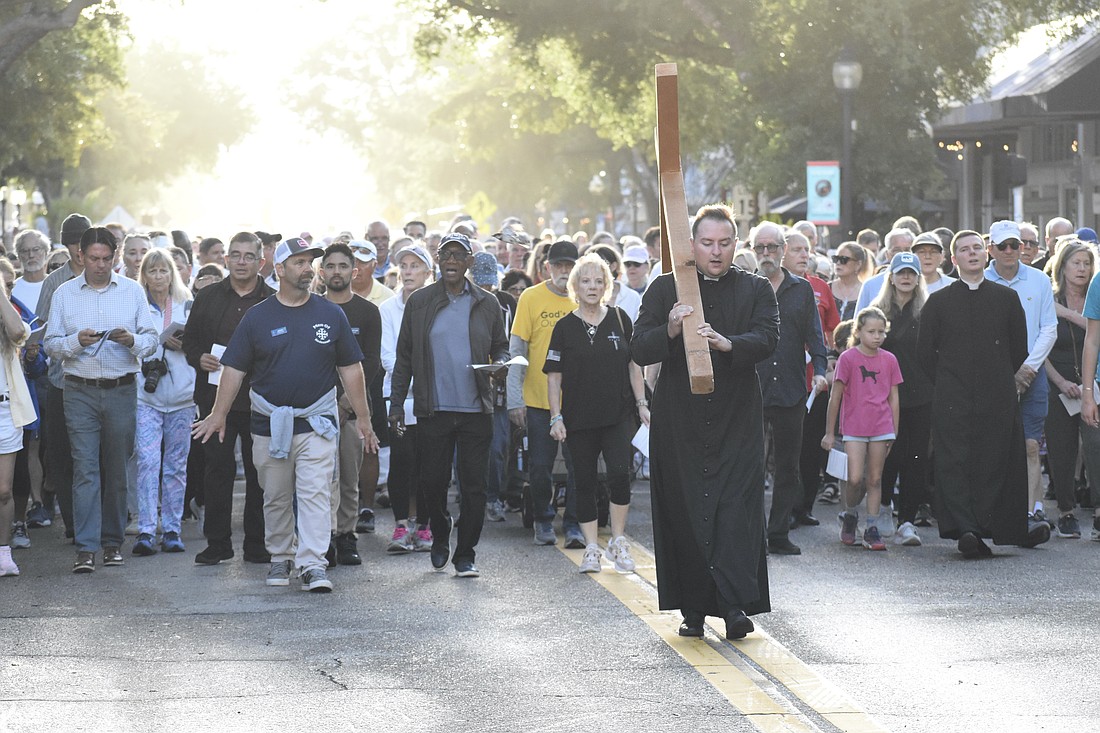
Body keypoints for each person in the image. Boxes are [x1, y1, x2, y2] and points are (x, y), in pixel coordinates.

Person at [192, 237, 378, 593]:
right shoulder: (258, 316)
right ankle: (280, 555)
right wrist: (219, 414)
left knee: (315, 493)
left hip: (317, 423)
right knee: (275, 496)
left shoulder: (329, 313)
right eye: (299, 262)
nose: (307, 268)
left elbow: (352, 369)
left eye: (310, 262)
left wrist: (365, 419)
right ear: (278, 269)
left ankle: (312, 564)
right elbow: (233, 369)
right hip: (269, 424)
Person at [631, 204, 779, 641]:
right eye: (707, 243)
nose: (716, 252)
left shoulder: (755, 288)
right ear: (691, 244)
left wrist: (729, 343)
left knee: (736, 509)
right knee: (685, 506)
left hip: (736, 415)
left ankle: (734, 605)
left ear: (737, 244)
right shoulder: (663, 289)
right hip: (681, 418)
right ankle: (693, 608)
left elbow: (769, 337)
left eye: (725, 242)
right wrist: (672, 329)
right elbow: (641, 348)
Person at [387, 233, 510, 578]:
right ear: (439, 262)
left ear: (470, 262)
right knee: (433, 482)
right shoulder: (421, 302)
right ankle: (440, 532)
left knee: (474, 487)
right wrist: (396, 405)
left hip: (476, 410)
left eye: (459, 255)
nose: (452, 260)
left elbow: (500, 346)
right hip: (434, 410)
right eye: (446, 255)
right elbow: (404, 358)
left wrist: (501, 364)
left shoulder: (487, 303)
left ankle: (466, 553)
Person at [917, 230, 1046, 557]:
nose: (972, 253)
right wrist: (949, 382)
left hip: (997, 396)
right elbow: (924, 354)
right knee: (955, 462)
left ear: (985, 254)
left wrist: (995, 378)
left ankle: (999, 528)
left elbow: (1019, 349)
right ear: (954, 258)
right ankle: (966, 529)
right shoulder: (939, 302)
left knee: (995, 459)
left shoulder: (1006, 299)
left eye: (977, 248)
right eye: (964, 249)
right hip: (952, 397)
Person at [43, 227, 159, 573]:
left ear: (116, 256)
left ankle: (112, 543)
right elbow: (50, 343)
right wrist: (76, 341)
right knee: (85, 469)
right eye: (93, 258)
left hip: (122, 387)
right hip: (78, 388)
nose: (100, 265)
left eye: (107, 259)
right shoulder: (64, 294)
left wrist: (131, 341)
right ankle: (86, 546)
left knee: (117, 468)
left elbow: (152, 339)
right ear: (81, 255)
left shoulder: (132, 291)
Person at [545, 253, 648, 573]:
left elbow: (634, 367)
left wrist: (642, 404)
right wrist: (555, 416)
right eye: (586, 281)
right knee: (584, 481)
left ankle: (618, 541)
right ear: (575, 285)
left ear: (607, 286)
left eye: (598, 281)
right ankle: (591, 547)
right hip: (578, 418)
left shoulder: (620, 319)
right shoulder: (564, 327)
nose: (592, 286)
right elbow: (554, 375)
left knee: (620, 474)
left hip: (618, 414)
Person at [183, 231, 275, 566]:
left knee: (259, 473)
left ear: (260, 262)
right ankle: (218, 543)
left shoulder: (273, 300)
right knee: (216, 471)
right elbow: (190, 341)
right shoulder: (208, 298)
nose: (240, 261)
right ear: (225, 260)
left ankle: (257, 544)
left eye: (248, 256)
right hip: (214, 399)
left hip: (258, 400)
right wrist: (200, 357)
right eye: (234, 255)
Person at [752, 223, 827, 555]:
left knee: (787, 467)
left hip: (792, 390)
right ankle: (751, 534)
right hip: (751, 389)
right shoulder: (746, 286)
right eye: (760, 248)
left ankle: (778, 532)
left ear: (783, 249)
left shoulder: (802, 289)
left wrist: (822, 370)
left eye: (772, 247)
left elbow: (816, 335)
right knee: (750, 467)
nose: (766, 254)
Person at [508, 239, 585, 547]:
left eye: (570, 265)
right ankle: (543, 518)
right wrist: (515, 399)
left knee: (580, 466)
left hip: (577, 401)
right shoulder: (530, 297)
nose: (564, 271)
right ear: (546, 268)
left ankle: (575, 523)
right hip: (538, 400)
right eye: (559, 266)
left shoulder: (586, 297)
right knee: (540, 467)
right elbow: (517, 350)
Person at [985, 221, 1057, 533]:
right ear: (992, 249)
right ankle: (994, 508)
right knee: (995, 444)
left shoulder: (1039, 280)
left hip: (1032, 372)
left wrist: (1028, 369)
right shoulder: (980, 279)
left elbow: (1048, 328)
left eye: (1017, 245)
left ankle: (1031, 510)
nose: (1012, 251)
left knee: (1030, 445)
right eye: (1004, 246)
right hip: (992, 375)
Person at [319, 242, 382, 566]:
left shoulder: (368, 312)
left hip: (354, 409)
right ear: (322, 272)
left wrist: (347, 403)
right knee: (320, 478)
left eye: (343, 266)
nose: (337, 272)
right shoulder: (312, 309)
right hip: (316, 408)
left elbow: (370, 362)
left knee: (348, 476)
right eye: (331, 266)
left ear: (353, 271)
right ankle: (324, 537)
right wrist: (326, 401)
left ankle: (346, 535)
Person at [821, 307, 902, 551]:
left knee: (875, 479)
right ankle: (850, 514)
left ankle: (872, 527)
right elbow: (835, 397)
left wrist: (894, 431)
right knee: (855, 478)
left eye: (881, 332)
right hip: (854, 426)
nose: (877, 337)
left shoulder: (889, 359)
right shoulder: (848, 358)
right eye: (871, 332)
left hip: (881, 426)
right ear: (858, 331)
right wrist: (829, 432)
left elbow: (894, 398)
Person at [131, 249, 195, 556]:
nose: (159, 277)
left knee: (175, 465)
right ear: (143, 275)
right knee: (147, 462)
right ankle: (145, 528)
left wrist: (182, 345)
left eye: (164, 271)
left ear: (173, 273)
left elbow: (202, 347)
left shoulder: (187, 305)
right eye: (152, 271)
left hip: (182, 397)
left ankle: (172, 528)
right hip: (146, 397)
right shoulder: (134, 305)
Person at [35, 213, 92, 537]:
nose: (76, 250)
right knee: (62, 455)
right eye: (70, 243)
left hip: (98, 376)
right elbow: (41, 329)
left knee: (92, 454)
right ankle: (73, 524)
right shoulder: (54, 282)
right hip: (60, 379)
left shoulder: (107, 275)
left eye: (80, 242)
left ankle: (94, 519)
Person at [872, 253, 933, 546]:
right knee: (889, 455)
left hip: (922, 395)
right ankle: (883, 506)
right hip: (884, 397)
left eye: (911, 272)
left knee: (916, 458)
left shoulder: (929, 311)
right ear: (891, 276)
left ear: (918, 277)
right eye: (901, 272)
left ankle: (907, 520)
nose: (906, 277)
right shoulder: (877, 312)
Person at [1042, 240, 1100, 539]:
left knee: (1095, 447)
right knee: (1061, 450)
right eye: (1075, 263)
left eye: (1086, 263)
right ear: (1061, 266)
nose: (1082, 269)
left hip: (1094, 383)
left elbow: (1093, 333)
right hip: (1058, 383)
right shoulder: (1047, 298)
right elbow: (1040, 349)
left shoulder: (1096, 295)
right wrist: (1060, 382)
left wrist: (1065, 313)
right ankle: (1065, 511)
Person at [378, 244, 434, 553]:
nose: (408, 271)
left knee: (428, 464)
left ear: (428, 272)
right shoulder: (387, 308)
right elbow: (388, 355)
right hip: (398, 398)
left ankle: (424, 526)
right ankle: (401, 525)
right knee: (400, 462)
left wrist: (423, 379)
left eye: (415, 265)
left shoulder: (438, 304)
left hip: (430, 398)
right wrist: (409, 377)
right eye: (405, 265)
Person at [786, 231, 839, 527]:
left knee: (809, 446)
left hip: (815, 382)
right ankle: (788, 507)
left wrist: (829, 363)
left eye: (806, 250)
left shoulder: (820, 287)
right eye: (796, 250)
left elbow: (833, 330)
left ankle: (804, 506)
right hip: (786, 380)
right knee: (788, 449)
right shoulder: (771, 286)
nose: (803, 255)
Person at [469, 251, 518, 522]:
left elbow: (515, 339)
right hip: (468, 383)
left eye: (489, 282)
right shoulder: (461, 301)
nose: (486, 288)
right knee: (466, 446)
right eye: (481, 282)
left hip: (499, 383)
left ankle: (494, 496)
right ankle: (469, 495)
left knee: (499, 444)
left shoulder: (507, 302)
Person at [0, 269, 36, 577]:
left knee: (3, 489)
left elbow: (18, 333)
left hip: (4, 412)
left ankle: (3, 552)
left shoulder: (8, 316)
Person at [855, 228, 915, 310]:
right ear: (887, 255)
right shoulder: (871, 285)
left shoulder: (923, 283)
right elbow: (859, 321)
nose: (902, 255)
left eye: (907, 250)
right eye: (897, 250)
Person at [830, 242, 874, 320]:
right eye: (835, 259)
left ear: (858, 264)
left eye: (844, 259)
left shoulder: (867, 291)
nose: (838, 263)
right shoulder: (826, 288)